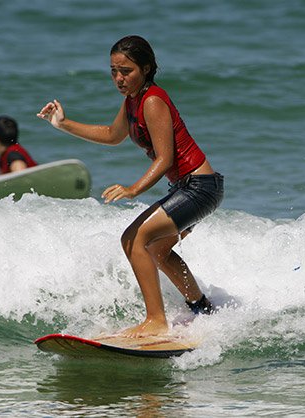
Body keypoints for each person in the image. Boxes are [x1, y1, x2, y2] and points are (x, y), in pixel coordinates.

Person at [37, 35, 224, 337]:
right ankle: (202, 308)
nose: (119, 78)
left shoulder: (152, 101)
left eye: (126, 71)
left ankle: (155, 321)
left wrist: (133, 189)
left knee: (133, 239)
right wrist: (63, 123)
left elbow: (164, 159)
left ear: (146, 69)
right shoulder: (132, 103)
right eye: (114, 71)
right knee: (158, 249)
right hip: (188, 188)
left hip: (200, 187)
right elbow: (112, 134)